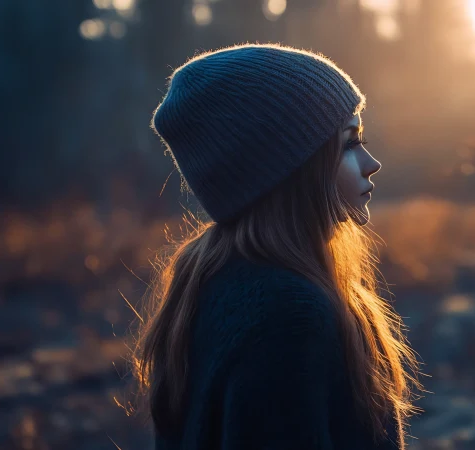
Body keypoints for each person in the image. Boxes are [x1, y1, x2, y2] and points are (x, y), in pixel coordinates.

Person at [129, 43, 424, 450]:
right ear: (292, 168)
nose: (371, 163)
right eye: (348, 143)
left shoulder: (210, 280)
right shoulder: (286, 316)